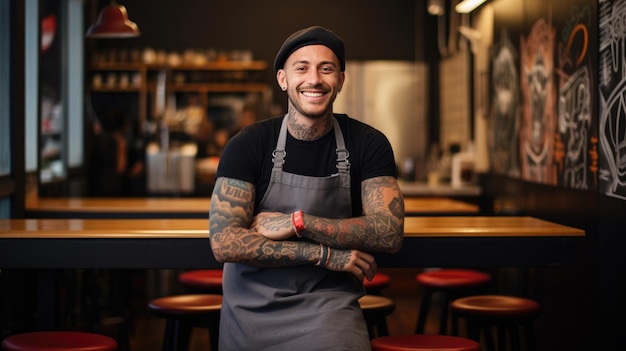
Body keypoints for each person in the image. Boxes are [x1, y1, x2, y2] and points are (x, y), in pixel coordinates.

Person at [209, 26, 405, 350]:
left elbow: (389, 231)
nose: (314, 79)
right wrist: (323, 254)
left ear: (340, 80)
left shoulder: (368, 143)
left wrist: (298, 223)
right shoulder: (249, 144)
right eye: (301, 68)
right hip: (251, 309)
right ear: (283, 79)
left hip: (330, 307)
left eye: (326, 68)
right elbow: (224, 242)